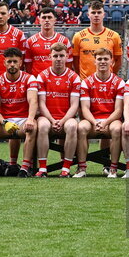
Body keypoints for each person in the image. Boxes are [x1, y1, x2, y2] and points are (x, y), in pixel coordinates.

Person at [0, 47, 38, 178]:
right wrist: (4, 122)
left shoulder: (30, 79)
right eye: (9, 61)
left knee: (33, 127)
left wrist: (30, 119)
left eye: (14, 61)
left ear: (20, 63)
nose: (12, 64)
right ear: (4, 63)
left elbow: (33, 100)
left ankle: (24, 168)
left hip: (23, 119)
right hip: (5, 121)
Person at [35, 43, 81, 177]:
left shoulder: (74, 77)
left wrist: (62, 121)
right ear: (50, 57)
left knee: (72, 126)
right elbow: (41, 103)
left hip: (66, 117)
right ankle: (42, 168)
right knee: (42, 125)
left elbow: (74, 105)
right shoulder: (42, 76)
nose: (59, 59)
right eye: (55, 56)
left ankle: (66, 168)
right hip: (48, 116)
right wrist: (52, 120)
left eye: (61, 55)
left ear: (67, 56)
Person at [77, 48, 124, 178]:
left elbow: (118, 110)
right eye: (99, 59)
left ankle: (113, 168)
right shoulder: (86, 82)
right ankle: (81, 168)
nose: (103, 62)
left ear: (112, 62)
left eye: (106, 59)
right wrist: (95, 122)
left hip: (111, 119)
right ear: (94, 62)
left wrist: (105, 122)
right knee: (81, 127)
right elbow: (85, 108)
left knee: (117, 128)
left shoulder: (119, 82)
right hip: (92, 119)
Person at [72, 1, 123, 79]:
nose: (96, 15)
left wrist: (111, 74)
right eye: (93, 12)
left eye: (99, 12)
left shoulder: (114, 36)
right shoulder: (78, 36)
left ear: (104, 15)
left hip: (107, 82)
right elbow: (75, 61)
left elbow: (118, 61)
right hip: (85, 83)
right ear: (88, 15)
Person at [25, 8, 71, 76]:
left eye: (49, 17)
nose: (46, 20)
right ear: (39, 20)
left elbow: (69, 64)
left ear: (55, 20)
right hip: (37, 81)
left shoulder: (64, 41)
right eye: (44, 17)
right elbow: (28, 65)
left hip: (57, 81)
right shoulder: (30, 41)